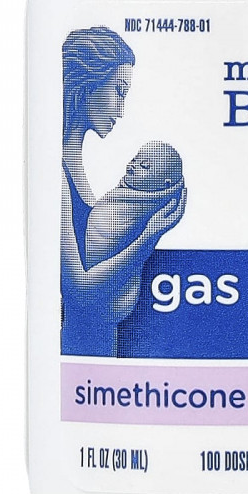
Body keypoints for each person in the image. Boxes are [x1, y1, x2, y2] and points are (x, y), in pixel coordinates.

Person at [61, 27, 186, 355]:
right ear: (88, 85)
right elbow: (81, 292)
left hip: (102, 351)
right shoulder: (58, 177)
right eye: (118, 90)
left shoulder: (80, 173)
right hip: (78, 351)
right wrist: (151, 235)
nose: (121, 109)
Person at [85, 141, 184, 269]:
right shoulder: (123, 194)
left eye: (144, 166)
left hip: (105, 265)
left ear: (165, 184)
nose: (132, 166)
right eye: (134, 160)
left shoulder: (148, 207)